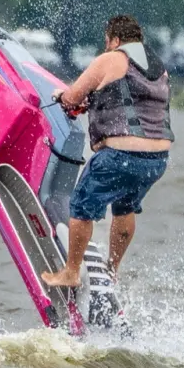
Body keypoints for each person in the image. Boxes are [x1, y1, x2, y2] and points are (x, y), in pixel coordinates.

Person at [40, 15, 173, 289]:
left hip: (120, 156)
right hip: (156, 161)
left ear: (114, 39)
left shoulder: (110, 58)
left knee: (81, 206)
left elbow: (73, 97)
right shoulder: (160, 70)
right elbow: (132, 104)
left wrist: (62, 98)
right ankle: (112, 273)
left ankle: (71, 272)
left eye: (107, 41)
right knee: (125, 208)